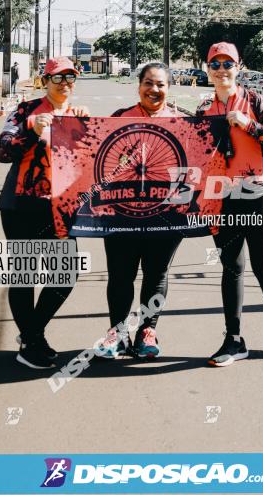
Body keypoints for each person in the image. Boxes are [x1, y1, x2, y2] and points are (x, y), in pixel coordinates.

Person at [196, 42, 263, 366]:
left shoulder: (255, 101)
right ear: (207, 69)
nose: (222, 69)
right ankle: (234, 341)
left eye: (228, 63)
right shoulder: (204, 110)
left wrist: (248, 125)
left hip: (259, 195)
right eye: (215, 64)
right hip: (223, 198)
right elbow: (194, 155)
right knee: (231, 269)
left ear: (239, 67)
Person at [0, 56, 90, 369]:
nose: (64, 84)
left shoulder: (78, 115)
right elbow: (3, 150)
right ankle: (32, 342)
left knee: (65, 275)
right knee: (25, 275)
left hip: (60, 208)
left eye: (70, 78)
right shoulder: (26, 110)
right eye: (58, 78)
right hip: (21, 204)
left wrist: (89, 129)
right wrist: (32, 130)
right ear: (44, 81)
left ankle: (32, 335)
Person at [95, 62, 183, 361]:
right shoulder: (120, 119)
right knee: (121, 274)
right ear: (139, 85)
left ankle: (148, 330)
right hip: (123, 213)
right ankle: (118, 333)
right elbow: (96, 160)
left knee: (156, 274)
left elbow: (195, 169)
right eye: (148, 83)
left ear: (169, 89)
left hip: (165, 214)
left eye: (160, 84)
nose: (154, 89)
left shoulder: (182, 123)